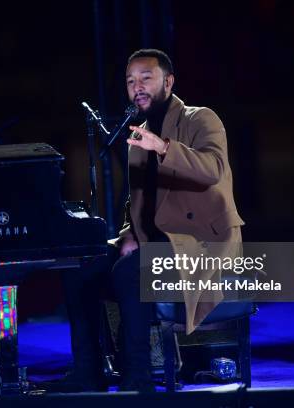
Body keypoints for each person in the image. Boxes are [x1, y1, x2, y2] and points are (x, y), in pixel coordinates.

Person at [58, 49, 244, 393]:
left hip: (200, 243)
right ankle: (89, 371)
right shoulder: (137, 135)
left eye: (146, 78)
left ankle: (138, 377)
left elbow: (213, 170)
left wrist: (164, 147)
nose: (137, 87)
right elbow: (138, 200)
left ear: (168, 82)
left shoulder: (200, 119)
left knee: (130, 272)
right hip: (156, 244)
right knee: (79, 268)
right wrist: (130, 232)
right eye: (130, 81)